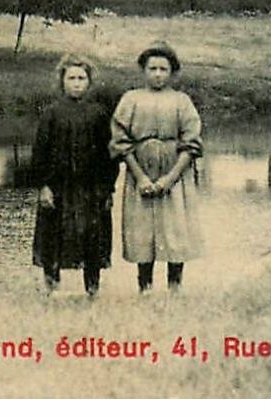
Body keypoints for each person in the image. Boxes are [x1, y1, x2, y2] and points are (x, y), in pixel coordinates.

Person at [109, 41, 203, 293]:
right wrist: (140, 177)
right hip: (141, 171)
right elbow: (120, 141)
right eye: (152, 68)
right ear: (144, 70)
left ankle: (175, 289)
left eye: (163, 69)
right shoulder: (131, 99)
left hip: (175, 175)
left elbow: (191, 144)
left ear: (172, 71)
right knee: (143, 233)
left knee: (175, 230)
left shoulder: (181, 101)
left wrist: (169, 179)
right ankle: (145, 289)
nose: (158, 74)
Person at [30, 54, 117, 298]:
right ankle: (51, 287)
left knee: (92, 236)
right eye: (71, 78)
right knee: (53, 236)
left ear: (89, 82)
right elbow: (40, 152)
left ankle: (92, 289)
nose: (77, 83)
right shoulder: (51, 114)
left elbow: (108, 155)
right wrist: (44, 186)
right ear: (62, 81)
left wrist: (108, 188)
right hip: (59, 187)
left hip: (91, 189)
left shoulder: (99, 114)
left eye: (82, 78)